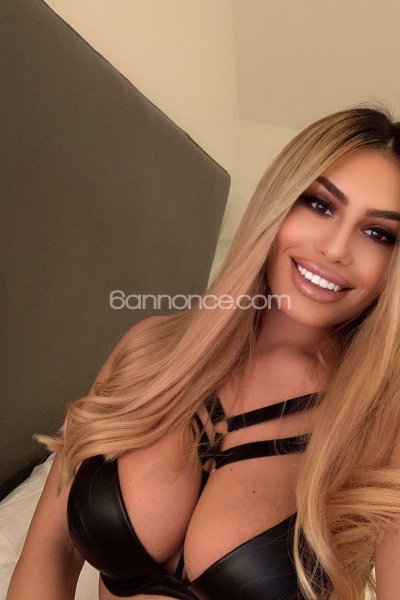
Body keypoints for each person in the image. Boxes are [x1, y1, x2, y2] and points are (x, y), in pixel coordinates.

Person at [7, 105, 400, 600]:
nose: (336, 248)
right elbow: (52, 546)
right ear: (277, 206)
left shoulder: (383, 428)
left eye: (378, 233)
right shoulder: (148, 350)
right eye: (320, 205)